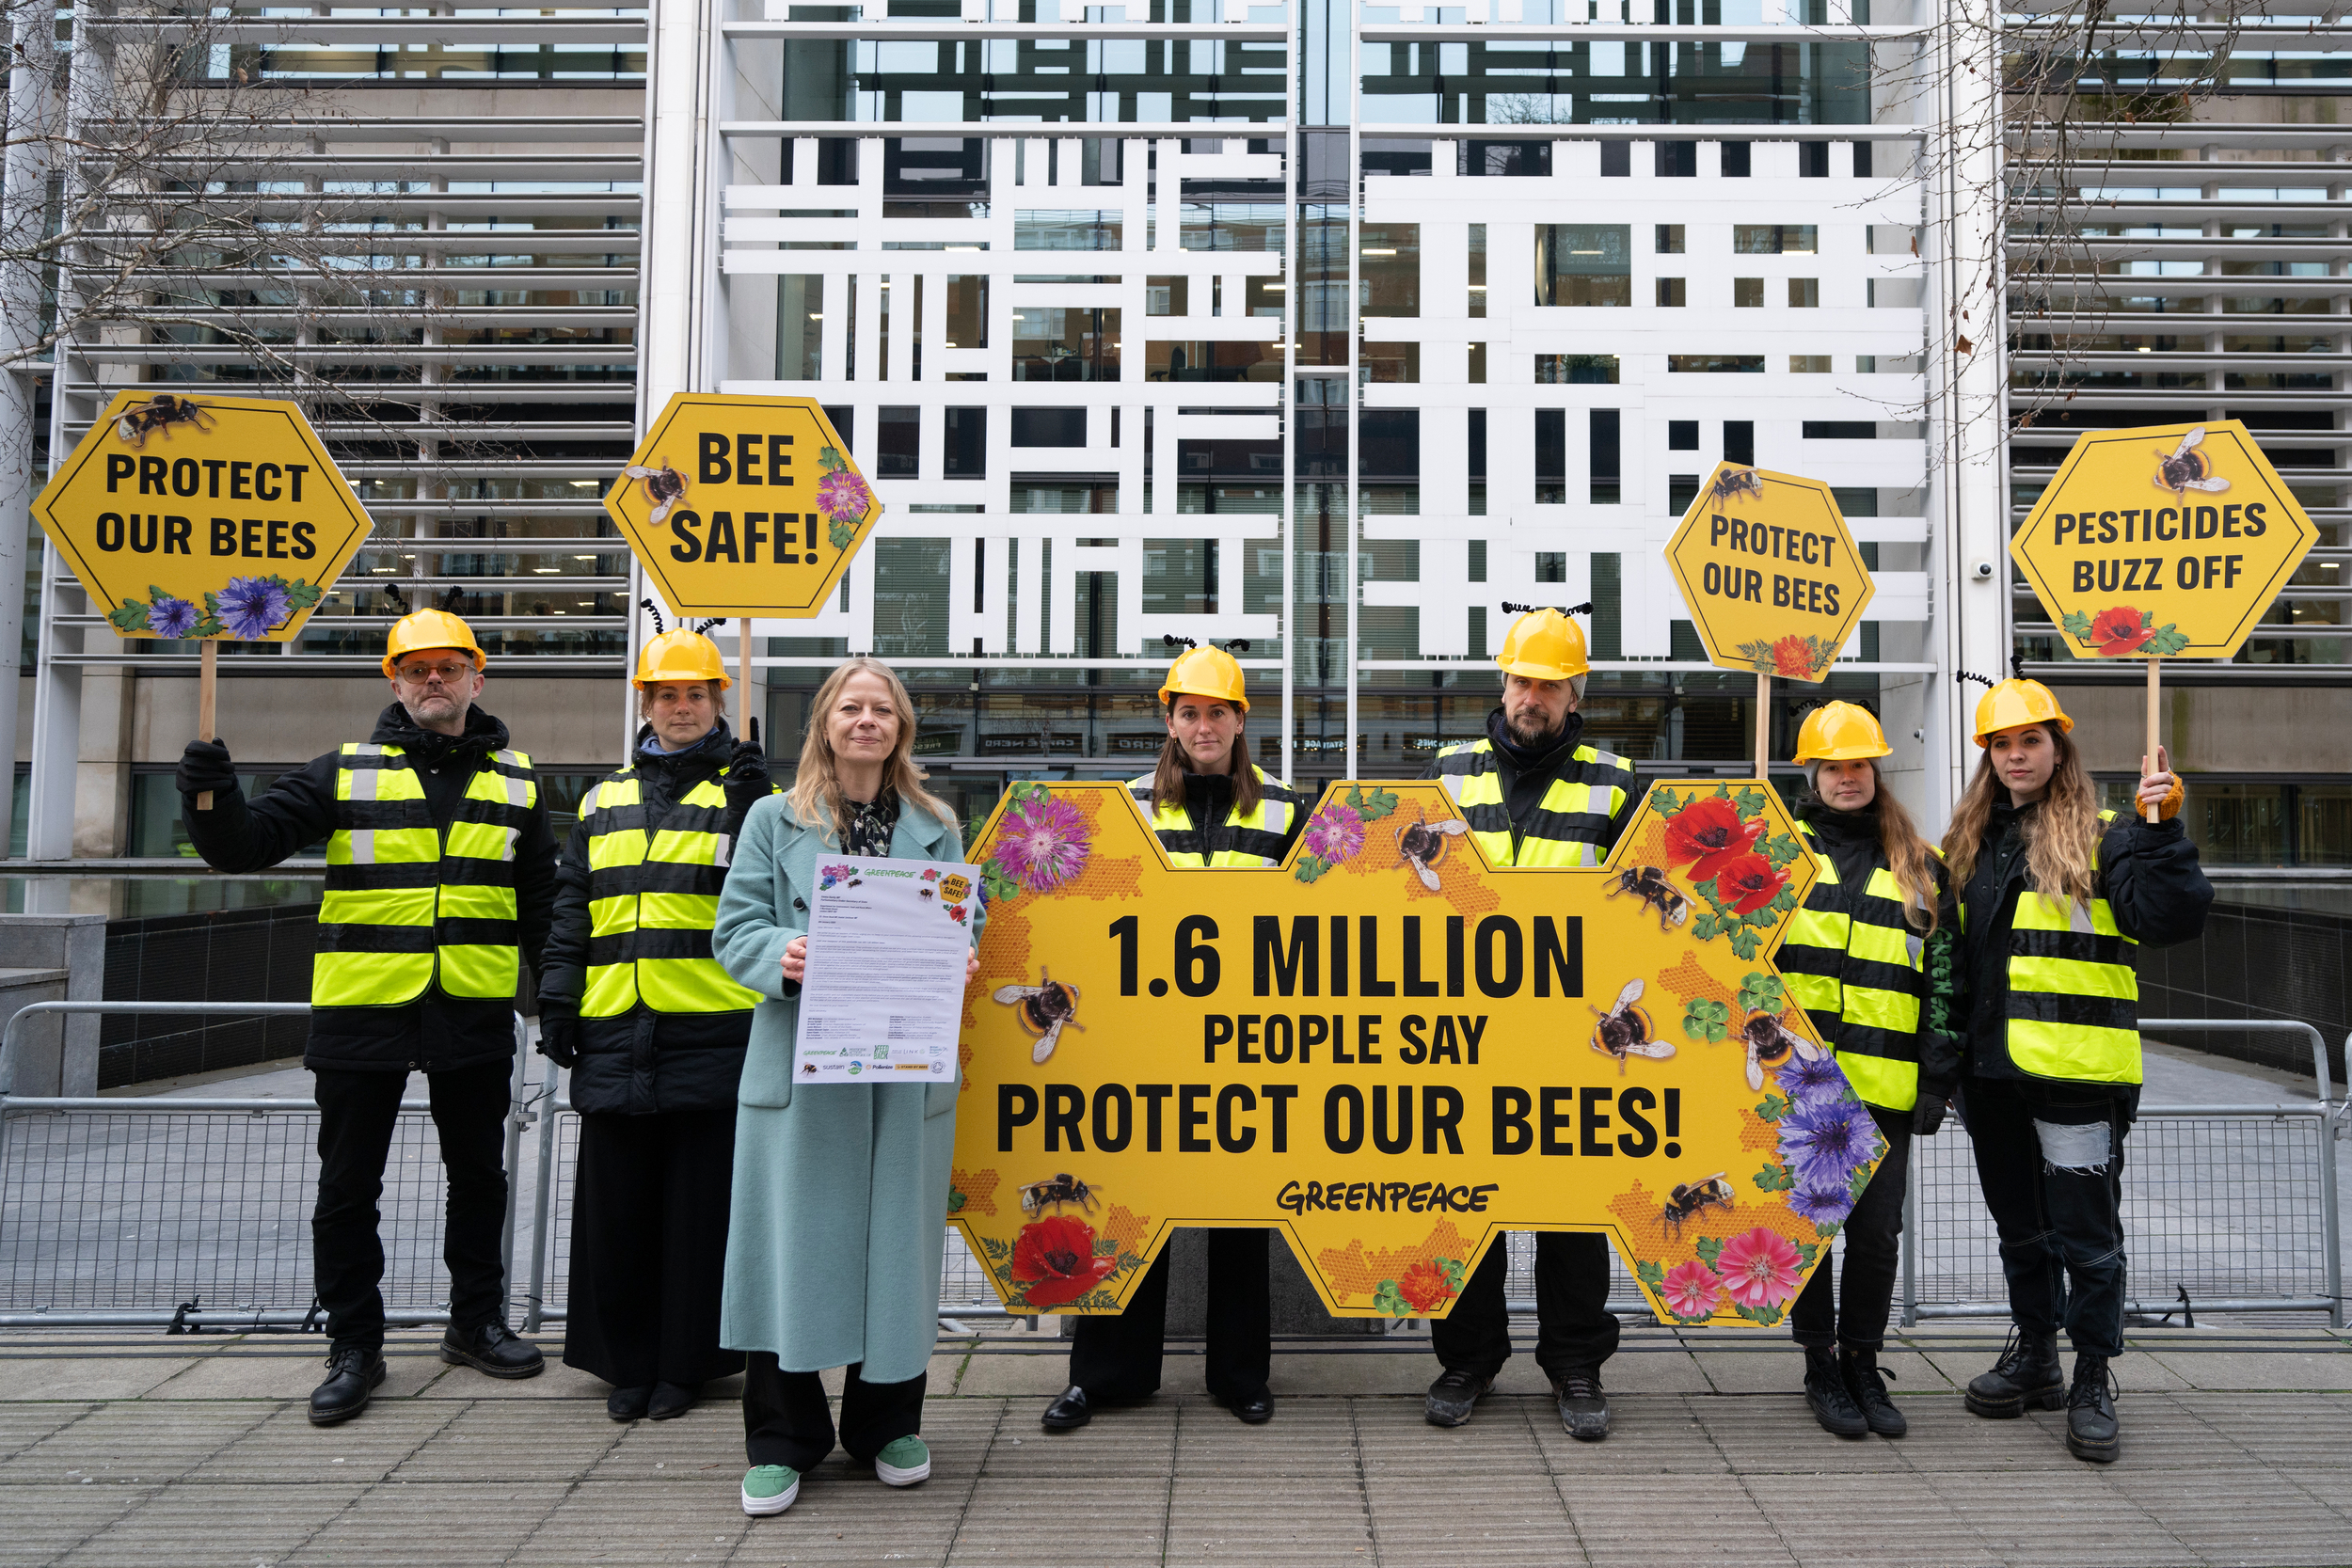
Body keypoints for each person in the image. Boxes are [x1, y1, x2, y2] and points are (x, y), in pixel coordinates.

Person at [175, 607, 557, 1426]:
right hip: (362, 1013)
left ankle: (475, 1323)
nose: (433, 680)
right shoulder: (340, 771)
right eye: (416, 668)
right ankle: (354, 1345)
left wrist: (556, 999)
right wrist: (208, 792)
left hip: (472, 1008)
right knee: (349, 1187)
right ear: (394, 681)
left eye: (448, 667)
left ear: (476, 679)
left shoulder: (521, 779)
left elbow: (543, 907)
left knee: (480, 1179)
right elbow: (244, 846)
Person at [712, 656, 982, 1518]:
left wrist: (962, 954)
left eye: (883, 709)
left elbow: (965, 917)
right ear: (825, 721)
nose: (867, 721)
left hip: (901, 1073)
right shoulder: (771, 819)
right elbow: (735, 927)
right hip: (806, 1068)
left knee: (896, 1251)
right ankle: (783, 1438)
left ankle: (886, 1422)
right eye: (851, 707)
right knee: (788, 1252)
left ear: (901, 728)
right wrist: (778, 956)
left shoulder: (937, 824)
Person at [1040, 641, 1312, 1435]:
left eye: (1217, 711)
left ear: (1239, 720)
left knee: (1239, 1212)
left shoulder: (1286, 809)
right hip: (1141, 1045)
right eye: (1188, 711)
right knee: (1125, 1202)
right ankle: (1105, 1376)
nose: (1203, 725)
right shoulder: (1122, 805)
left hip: (1246, 1044)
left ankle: (1240, 1376)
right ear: (1169, 718)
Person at [1939, 675, 2208, 1465]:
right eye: (2002, 743)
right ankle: (2037, 1357)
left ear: (2059, 748)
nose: (2016, 755)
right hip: (1990, 1078)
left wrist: (2163, 832)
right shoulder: (1967, 842)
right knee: (2020, 1229)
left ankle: (2094, 1373)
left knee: (2086, 1237)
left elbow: (2168, 918)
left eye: (2030, 741)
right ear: (1988, 755)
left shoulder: (2110, 834)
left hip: (2078, 1075)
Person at [534, 625, 775, 1422]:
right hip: (614, 1031)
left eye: (696, 693)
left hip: (711, 1036)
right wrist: (558, 998)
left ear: (719, 702)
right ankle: (624, 1364)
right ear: (645, 701)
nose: (680, 707)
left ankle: (687, 1367)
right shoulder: (603, 800)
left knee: (697, 1215)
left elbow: (774, 896)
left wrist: (752, 808)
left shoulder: (751, 799)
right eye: (667, 693)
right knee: (618, 1211)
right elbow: (575, 906)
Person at [1419, 604, 1639, 1439]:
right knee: (1465, 1198)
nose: (1530, 696)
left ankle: (1575, 1363)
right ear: (1501, 683)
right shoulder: (1445, 772)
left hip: (1576, 1036)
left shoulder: (1615, 782)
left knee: (1573, 1208)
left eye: (1548, 683)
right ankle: (1466, 1357)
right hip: (1464, 1033)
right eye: (1520, 679)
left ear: (1574, 693)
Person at [1773, 701, 1963, 1439]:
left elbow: (1946, 983)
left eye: (1857, 764)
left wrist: (1938, 1080)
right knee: (1813, 1234)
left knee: (1877, 1236)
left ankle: (1862, 1359)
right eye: (1832, 765)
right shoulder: (1782, 853)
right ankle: (1820, 1363)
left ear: (1875, 771)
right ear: (1813, 775)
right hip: (1805, 1090)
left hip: (1885, 1086)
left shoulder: (1921, 864)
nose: (1846, 777)